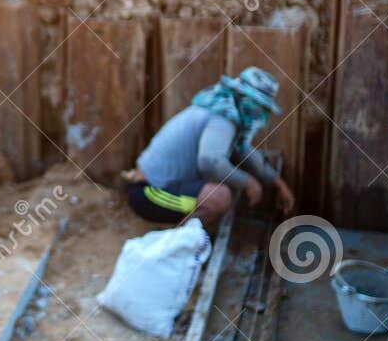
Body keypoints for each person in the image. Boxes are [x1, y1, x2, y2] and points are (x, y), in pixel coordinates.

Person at [120, 66, 296, 226]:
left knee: (227, 183)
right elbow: (210, 162)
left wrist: (278, 183)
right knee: (220, 197)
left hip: (158, 188)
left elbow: (243, 151)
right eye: (254, 105)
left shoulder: (223, 109)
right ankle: (178, 246)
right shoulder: (222, 119)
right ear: (240, 96)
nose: (257, 112)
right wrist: (249, 183)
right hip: (150, 194)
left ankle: (194, 236)